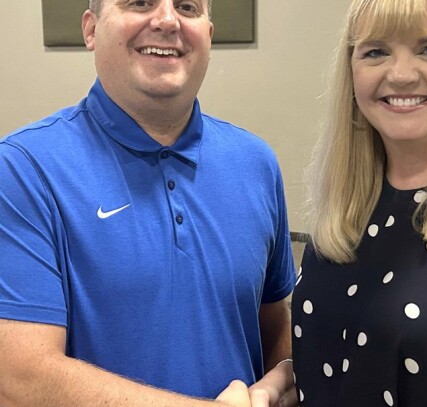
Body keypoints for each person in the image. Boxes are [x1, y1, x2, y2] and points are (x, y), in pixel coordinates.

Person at [0, 0, 295, 405]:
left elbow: (275, 331)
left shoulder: (256, 163)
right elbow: (20, 380)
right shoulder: (23, 170)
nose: (167, 20)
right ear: (90, 29)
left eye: (188, 7)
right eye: (139, 2)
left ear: (208, 33)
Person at [250, 0, 427, 406]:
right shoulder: (349, 197)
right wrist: (287, 380)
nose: (400, 74)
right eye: (376, 51)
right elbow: (361, 356)